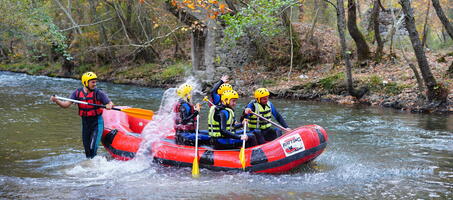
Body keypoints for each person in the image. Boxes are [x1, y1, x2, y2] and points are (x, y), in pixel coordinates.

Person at [50, 72, 113, 159]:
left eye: (95, 82)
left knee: (92, 147)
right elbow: (65, 105)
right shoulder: (77, 93)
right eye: (93, 82)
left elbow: (110, 103)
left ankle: (95, 165)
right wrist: (56, 101)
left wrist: (109, 105)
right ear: (85, 82)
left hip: (97, 123)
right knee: (87, 150)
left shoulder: (99, 93)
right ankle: (89, 166)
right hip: (86, 123)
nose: (95, 84)